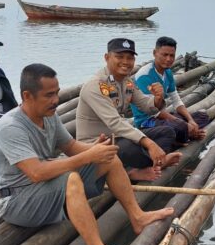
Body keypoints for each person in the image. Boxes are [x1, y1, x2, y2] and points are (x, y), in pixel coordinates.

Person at [0, 63, 174, 245]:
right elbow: (36, 172)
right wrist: (88, 156)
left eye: (57, 93)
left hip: (43, 186)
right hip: (16, 199)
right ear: (27, 96)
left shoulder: (49, 117)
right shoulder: (11, 127)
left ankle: (137, 217)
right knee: (71, 179)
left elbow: (71, 147)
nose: (55, 100)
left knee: (109, 158)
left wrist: (96, 149)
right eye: (49, 95)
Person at [76, 38, 182, 182]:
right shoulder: (96, 85)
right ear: (107, 58)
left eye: (130, 58)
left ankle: (149, 164)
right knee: (128, 147)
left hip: (118, 137)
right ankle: (141, 169)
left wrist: (158, 98)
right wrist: (149, 144)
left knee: (167, 131)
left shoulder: (127, 82)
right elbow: (115, 123)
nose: (126, 62)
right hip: (95, 144)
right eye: (119, 57)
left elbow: (146, 105)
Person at [132, 36, 209, 144]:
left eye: (171, 55)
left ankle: (188, 133)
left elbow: (176, 100)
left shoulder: (167, 72)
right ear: (155, 53)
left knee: (202, 116)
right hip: (146, 121)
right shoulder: (144, 75)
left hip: (162, 116)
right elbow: (154, 113)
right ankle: (188, 135)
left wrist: (190, 120)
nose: (168, 59)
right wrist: (183, 123)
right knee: (180, 126)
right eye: (165, 55)